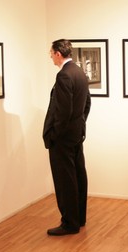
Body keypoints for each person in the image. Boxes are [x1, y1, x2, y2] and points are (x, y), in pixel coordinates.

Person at [43, 39, 91, 235]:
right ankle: (79, 218)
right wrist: (80, 124)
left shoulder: (63, 75)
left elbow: (63, 111)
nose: (50, 56)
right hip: (76, 134)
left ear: (58, 54)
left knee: (66, 179)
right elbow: (87, 103)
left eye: (51, 53)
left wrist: (55, 133)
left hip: (63, 138)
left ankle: (69, 223)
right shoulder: (79, 72)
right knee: (78, 174)